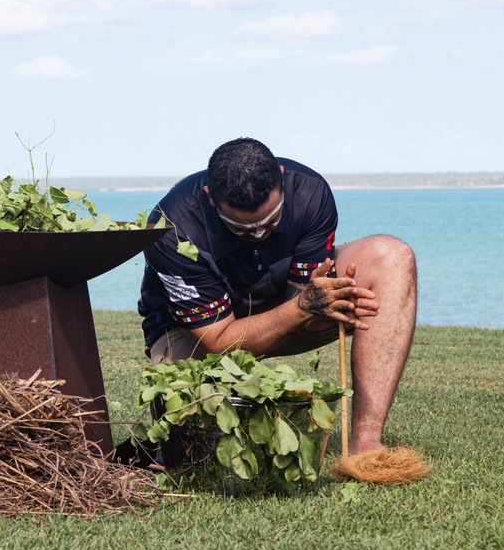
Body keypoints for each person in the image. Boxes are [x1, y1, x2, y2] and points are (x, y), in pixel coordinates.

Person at [121, 137, 417, 467]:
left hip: (292, 310)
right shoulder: (171, 226)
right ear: (211, 199)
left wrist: (326, 299)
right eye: (243, 229)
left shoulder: (310, 191)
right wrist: (304, 306)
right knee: (195, 461)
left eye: (271, 221)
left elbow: (303, 299)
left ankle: (366, 443)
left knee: (393, 257)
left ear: (280, 179)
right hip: (201, 335)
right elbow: (220, 343)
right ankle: (165, 443)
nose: (260, 234)